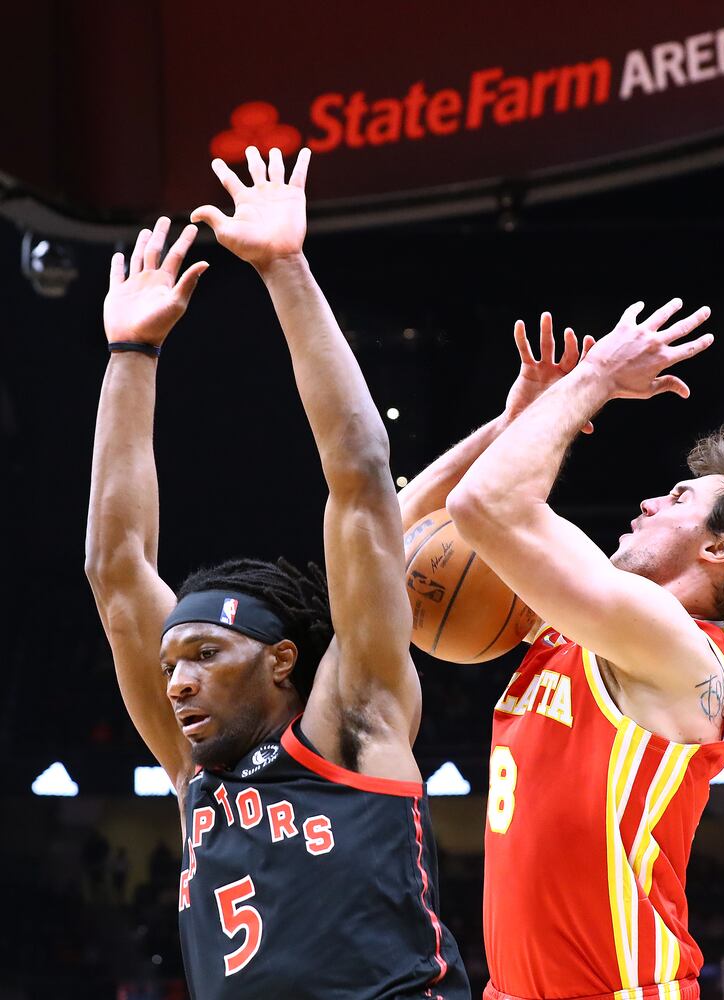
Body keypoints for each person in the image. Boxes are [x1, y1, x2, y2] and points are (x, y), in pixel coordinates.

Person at [86, 146, 468, 1000]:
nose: (177, 681)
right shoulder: (195, 773)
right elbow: (115, 569)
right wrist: (130, 354)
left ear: (282, 659)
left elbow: (361, 475)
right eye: (171, 661)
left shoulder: (354, 719)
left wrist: (285, 269)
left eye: (204, 655)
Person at [401, 305, 724, 1000]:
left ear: (720, 546)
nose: (649, 502)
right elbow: (398, 538)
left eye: (679, 498)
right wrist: (512, 422)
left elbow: (484, 504)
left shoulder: (679, 648)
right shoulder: (583, 620)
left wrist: (597, 375)